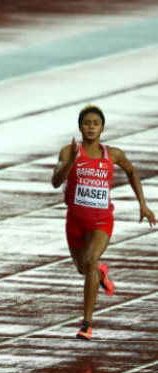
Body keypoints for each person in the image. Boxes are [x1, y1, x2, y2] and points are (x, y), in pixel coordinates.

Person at [52, 104, 156, 341]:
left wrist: (143, 204)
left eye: (95, 123)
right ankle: (100, 272)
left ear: (102, 128)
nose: (91, 127)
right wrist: (71, 163)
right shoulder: (68, 151)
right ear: (80, 127)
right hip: (75, 222)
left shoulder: (113, 154)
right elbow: (56, 181)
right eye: (86, 123)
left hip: (101, 221)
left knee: (89, 261)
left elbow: (131, 172)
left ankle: (86, 324)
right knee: (84, 269)